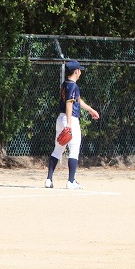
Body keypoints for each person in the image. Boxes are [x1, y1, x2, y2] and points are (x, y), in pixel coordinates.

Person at [45, 60, 100, 189]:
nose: (80, 72)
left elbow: (77, 100)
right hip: (70, 119)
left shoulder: (65, 84)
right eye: (79, 70)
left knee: (58, 149)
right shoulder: (73, 86)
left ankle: (49, 179)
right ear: (76, 71)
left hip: (60, 118)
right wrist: (69, 124)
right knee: (74, 150)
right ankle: (71, 181)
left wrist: (90, 110)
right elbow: (69, 103)